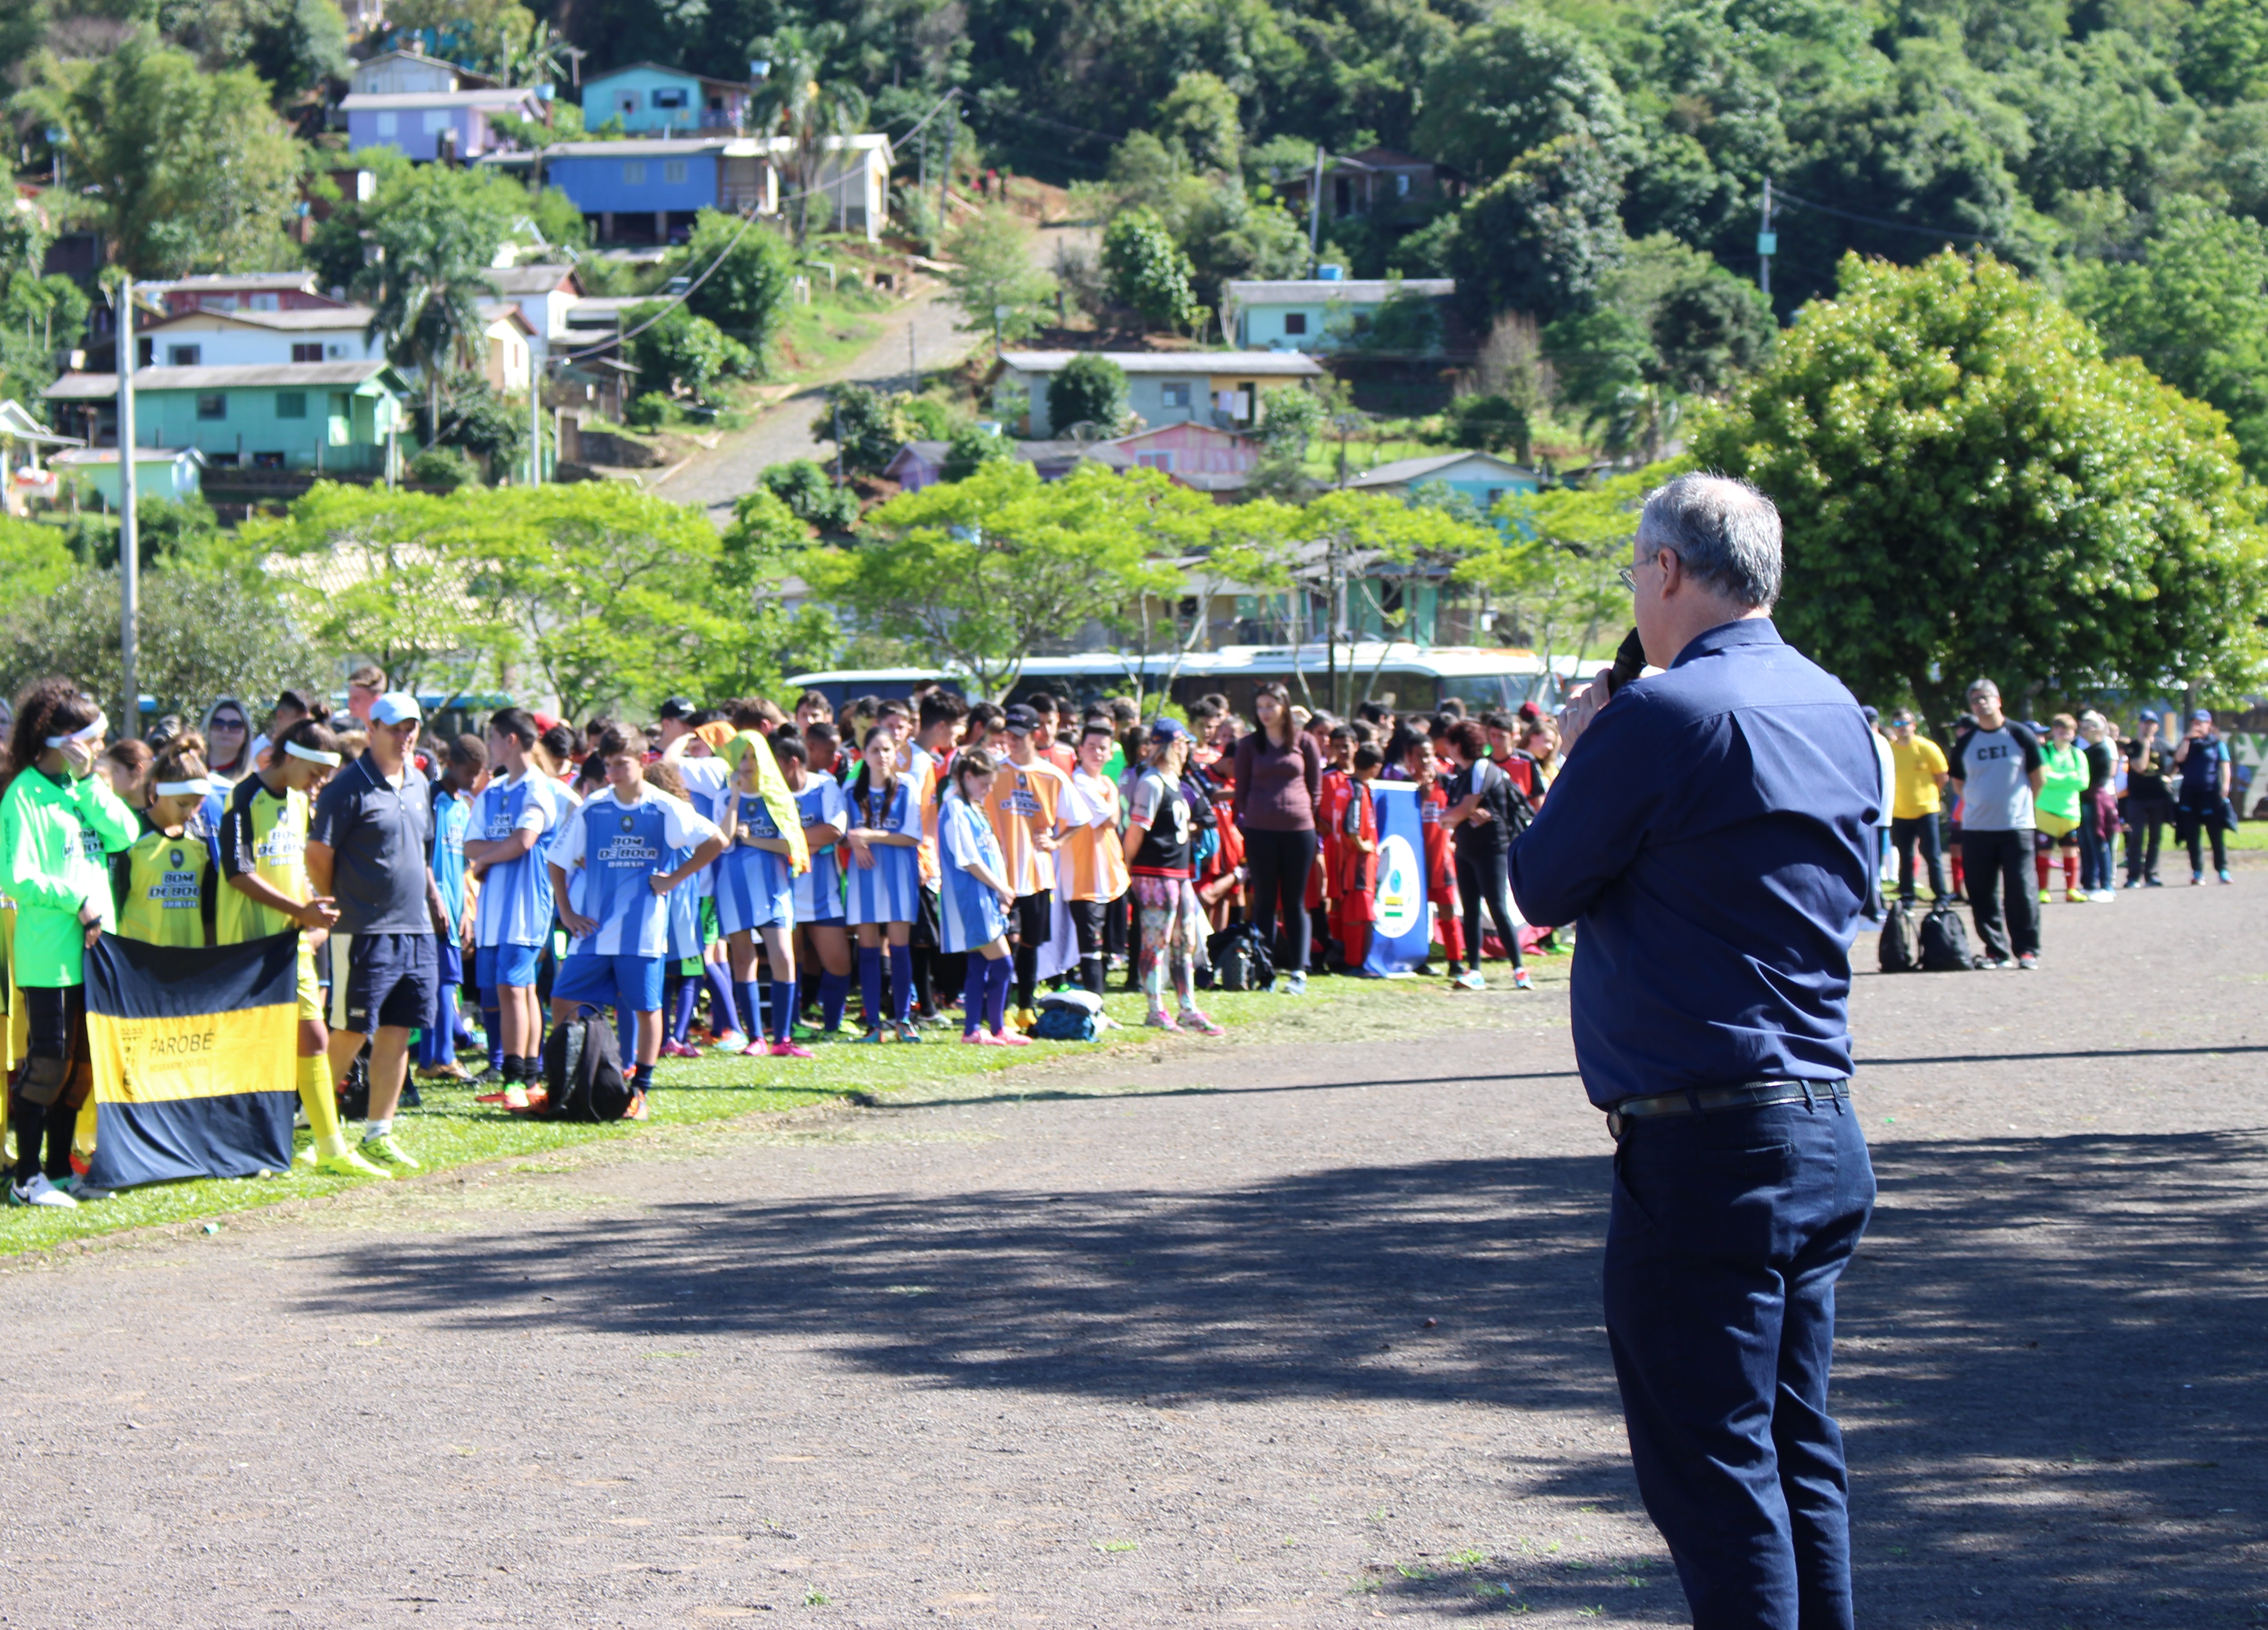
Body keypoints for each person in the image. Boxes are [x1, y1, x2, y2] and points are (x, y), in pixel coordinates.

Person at [1507, 473, 1878, 1630]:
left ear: (1666, 570)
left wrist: (1585, 745)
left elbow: (1538, 882)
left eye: (1634, 570)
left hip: (1705, 1135)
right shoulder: (1836, 704)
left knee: (1713, 1467)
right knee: (1793, 1442)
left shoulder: (1663, 713)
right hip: (1817, 1112)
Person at [218, 716, 377, 1179]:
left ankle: (330, 1147)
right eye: (316, 774)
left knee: (314, 1037)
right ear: (290, 758)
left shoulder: (297, 800)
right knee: (255, 1049)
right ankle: (245, 1150)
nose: (320, 784)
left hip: (294, 943)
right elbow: (238, 872)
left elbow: (293, 866)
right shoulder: (243, 797)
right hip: (250, 946)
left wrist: (311, 906)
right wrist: (301, 911)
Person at [0, 682, 139, 1207]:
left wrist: (87, 784)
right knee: (49, 1064)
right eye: (96, 739)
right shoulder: (23, 795)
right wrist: (77, 898)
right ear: (67, 739)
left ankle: (59, 1173)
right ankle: (25, 1180)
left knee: (82, 1067)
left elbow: (125, 833)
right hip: (50, 955)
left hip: (98, 954)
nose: (103, 748)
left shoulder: (82, 787)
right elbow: (15, 878)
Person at [307, 693, 452, 1172]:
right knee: (350, 1029)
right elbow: (319, 856)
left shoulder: (419, 782)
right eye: (394, 727)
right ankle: (314, 1130)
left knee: (398, 1030)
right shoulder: (346, 788)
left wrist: (434, 897)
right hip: (364, 931)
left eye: (411, 726)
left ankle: (378, 1134)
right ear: (372, 729)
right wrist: (342, 904)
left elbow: (422, 852)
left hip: (417, 929)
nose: (404, 735)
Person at [547, 727, 726, 1110]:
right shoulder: (593, 806)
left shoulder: (664, 807)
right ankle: (565, 1084)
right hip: (592, 933)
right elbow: (556, 861)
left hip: (642, 934)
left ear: (643, 762)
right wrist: (566, 911)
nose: (613, 772)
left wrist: (674, 879)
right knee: (561, 999)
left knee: (648, 1010)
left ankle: (640, 1091)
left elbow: (716, 841)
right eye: (608, 764)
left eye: (621, 764)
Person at [464, 709, 571, 1110]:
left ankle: (518, 1076)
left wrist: (487, 861)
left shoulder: (538, 788)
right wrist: (491, 855)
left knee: (514, 987)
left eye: (491, 738)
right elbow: (470, 845)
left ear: (510, 740)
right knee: (516, 989)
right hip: (494, 910)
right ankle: (526, 1074)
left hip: (527, 904)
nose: (487, 747)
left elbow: (525, 840)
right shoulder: (491, 792)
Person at [1121, 720, 1222, 1036]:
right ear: (1173, 744)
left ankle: (1187, 1008)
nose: (1187, 748)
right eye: (1183, 742)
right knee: (1156, 942)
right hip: (1155, 873)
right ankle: (1155, 1008)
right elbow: (1136, 831)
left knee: (1186, 941)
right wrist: (1127, 867)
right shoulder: (1151, 782)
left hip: (1179, 873)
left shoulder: (1175, 780)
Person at [714, 732, 811, 1058]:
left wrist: (753, 839)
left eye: (755, 757)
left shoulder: (779, 798)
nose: (749, 764)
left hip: (774, 887)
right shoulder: (724, 797)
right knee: (743, 958)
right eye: (743, 757)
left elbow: (792, 846)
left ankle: (783, 1038)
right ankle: (755, 1037)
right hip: (734, 886)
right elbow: (724, 841)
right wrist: (735, 799)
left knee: (783, 956)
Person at [986, 705, 1074, 1032]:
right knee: (1002, 941)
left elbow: (1077, 818)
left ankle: (1025, 1007)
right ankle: (1000, 1007)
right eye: (1007, 734)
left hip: (1037, 874)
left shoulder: (1052, 775)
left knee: (1030, 943)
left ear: (1035, 735)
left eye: (1018, 735)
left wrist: (1057, 842)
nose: (1011, 740)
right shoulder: (994, 771)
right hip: (1001, 874)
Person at [1233, 682, 1321, 996]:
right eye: (1260, 707)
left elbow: (1315, 788)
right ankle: (1264, 971)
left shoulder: (1305, 742)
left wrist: (1300, 813)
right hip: (1260, 831)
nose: (1265, 713)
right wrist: (1257, 817)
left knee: (1295, 902)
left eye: (1271, 706)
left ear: (1284, 706)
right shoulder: (1248, 745)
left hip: (1299, 830)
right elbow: (1240, 793)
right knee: (1264, 902)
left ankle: (1298, 970)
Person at [1949, 681, 2045, 970]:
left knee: (2022, 891)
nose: (1982, 704)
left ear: (1998, 700)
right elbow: (1958, 783)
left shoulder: (2019, 735)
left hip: (2016, 827)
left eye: (1986, 698)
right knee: (1981, 892)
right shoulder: (1966, 742)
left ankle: (2027, 950)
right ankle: (1995, 950)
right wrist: (1979, 804)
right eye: (1976, 700)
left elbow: (2038, 777)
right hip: (1978, 828)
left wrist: (2023, 807)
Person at [937, 748, 1027, 1046]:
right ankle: (994, 1028)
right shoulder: (954, 809)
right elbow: (969, 860)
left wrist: (1000, 889)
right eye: (984, 784)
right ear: (967, 777)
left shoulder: (973, 807)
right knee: (1003, 964)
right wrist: (1000, 887)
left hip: (984, 896)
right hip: (970, 898)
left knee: (979, 966)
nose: (989, 791)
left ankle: (975, 1030)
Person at [843, 725, 923, 1043]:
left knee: (900, 948)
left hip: (898, 873)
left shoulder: (907, 786)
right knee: (868, 950)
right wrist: (856, 840)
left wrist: (871, 837)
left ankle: (902, 1020)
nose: (881, 756)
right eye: (875, 750)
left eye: (887, 750)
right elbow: (846, 833)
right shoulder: (851, 790)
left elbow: (912, 835)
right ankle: (874, 1024)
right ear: (863, 754)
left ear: (896, 753)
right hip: (864, 875)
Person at [1439, 719, 1533, 992]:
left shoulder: (1482, 768)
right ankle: (1475, 971)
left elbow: (1457, 812)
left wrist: (1462, 813)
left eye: (1450, 742)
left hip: (1492, 850)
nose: (1447, 748)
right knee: (1470, 911)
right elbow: (1452, 817)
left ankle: (1520, 970)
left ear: (1459, 745)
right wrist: (1461, 815)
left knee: (1497, 908)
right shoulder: (1460, 775)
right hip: (1467, 850)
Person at [416, 734, 488, 1081]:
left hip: (454, 907)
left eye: (478, 774)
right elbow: (422, 856)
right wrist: (435, 899)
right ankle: (441, 1057)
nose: (473, 780)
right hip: (431, 907)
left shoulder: (462, 807)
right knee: (445, 981)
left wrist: (465, 910)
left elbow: (460, 865)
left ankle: (432, 1058)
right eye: (468, 771)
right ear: (450, 764)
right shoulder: (431, 800)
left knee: (446, 982)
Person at [114, 734, 219, 948]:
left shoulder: (200, 842)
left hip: (188, 966)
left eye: (198, 805)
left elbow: (209, 914)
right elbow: (114, 905)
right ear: (158, 789)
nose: (190, 814)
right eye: (182, 804)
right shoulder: (131, 836)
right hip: (138, 965)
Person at [778, 732, 852, 1036]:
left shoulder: (825, 786)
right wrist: (808, 840)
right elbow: (769, 839)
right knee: (789, 964)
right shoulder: (770, 792)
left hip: (823, 893)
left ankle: (832, 1024)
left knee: (840, 965)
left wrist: (792, 842)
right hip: (783, 891)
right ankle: (792, 1025)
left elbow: (834, 830)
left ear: (793, 763)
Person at [1060, 718, 1130, 999]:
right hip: (1084, 877)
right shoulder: (1079, 782)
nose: (1097, 753)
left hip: (1110, 873)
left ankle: (1097, 1005)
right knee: (1090, 947)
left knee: (1106, 948)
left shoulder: (1106, 782)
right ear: (1080, 749)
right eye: (1092, 747)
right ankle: (1093, 1005)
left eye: (1103, 748)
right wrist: (1113, 794)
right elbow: (1112, 820)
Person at [1406, 736, 1466, 979]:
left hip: (1440, 859)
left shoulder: (1447, 784)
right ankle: (1419, 959)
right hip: (1414, 862)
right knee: (1416, 912)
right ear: (1410, 759)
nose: (1424, 761)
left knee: (1447, 910)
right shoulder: (1403, 787)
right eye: (1419, 756)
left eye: (1428, 755)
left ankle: (1456, 961)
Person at [1886, 708, 1950, 904]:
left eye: (1905, 723)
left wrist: (1931, 796)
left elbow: (1942, 776)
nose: (1902, 728)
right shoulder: (1890, 750)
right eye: (1897, 724)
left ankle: (1940, 895)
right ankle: (1907, 894)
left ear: (1914, 725)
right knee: (1905, 856)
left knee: (1932, 855)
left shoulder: (1927, 747)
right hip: (1900, 812)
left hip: (1926, 810)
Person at [1336, 744, 1383, 972]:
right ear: (1375, 767)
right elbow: (1351, 825)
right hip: (1358, 863)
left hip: (1352, 860)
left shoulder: (1351, 786)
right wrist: (1361, 844)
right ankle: (1353, 963)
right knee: (1357, 911)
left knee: (1359, 911)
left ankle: (1356, 961)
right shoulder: (1356, 789)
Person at [2172, 707, 2233, 884]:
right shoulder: (2188, 743)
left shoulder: (2217, 744)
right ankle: (2197, 872)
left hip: (2210, 794)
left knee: (2215, 835)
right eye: (2194, 723)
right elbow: (2179, 759)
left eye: (2200, 723)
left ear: (2209, 725)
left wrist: (2225, 787)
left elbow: (2225, 766)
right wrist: (2187, 739)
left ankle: (2223, 870)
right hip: (2189, 795)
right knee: (2192, 836)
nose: (2197, 726)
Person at [2035, 715, 2088, 904]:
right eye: (2061, 731)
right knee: (2044, 852)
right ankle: (2043, 890)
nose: (2066, 735)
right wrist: (2069, 777)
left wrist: (2058, 777)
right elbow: (2044, 778)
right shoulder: (2044, 752)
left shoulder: (2078, 754)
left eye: (2070, 732)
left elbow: (2083, 782)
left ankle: (2071, 890)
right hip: (2046, 811)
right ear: (2054, 731)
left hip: (2070, 812)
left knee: (2071, 851)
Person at [2122, 711, 2175, 887]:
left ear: (2157, 726)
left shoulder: (2164, 745)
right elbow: (2140, 767)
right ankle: (2133, 877)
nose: (2149, 727)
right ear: (2140, 725)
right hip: (2137, 798)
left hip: (2158, 797)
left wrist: (2170, 775)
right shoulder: (2133, 746)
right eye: (2146, 723)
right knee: (2137, 837)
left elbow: (2179, 759)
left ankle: (2151, 875)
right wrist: (2146, 745)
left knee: (2155, 838)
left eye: (2152, 724)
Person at [2077, 712, 2118, 903]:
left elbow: (2094, 779)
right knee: (2087, 843)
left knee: (2100, 841)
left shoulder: (2101, 750)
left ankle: (2107, 886)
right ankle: (2091, 884)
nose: (2082, 731)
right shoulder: (2090, 750)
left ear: (2096, 729)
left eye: (2086, 728)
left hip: (2097, 800)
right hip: (2086, 800)